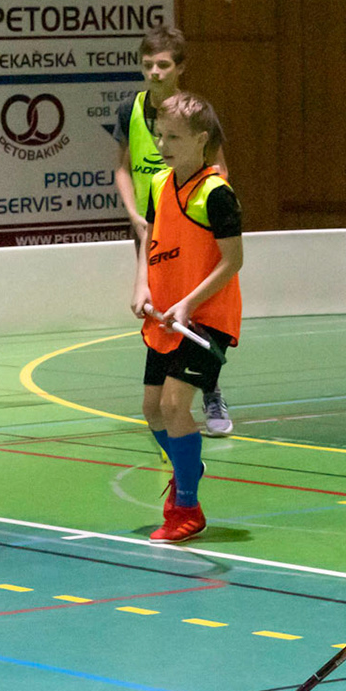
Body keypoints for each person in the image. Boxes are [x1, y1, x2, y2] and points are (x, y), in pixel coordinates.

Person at [131, 91, 243, 545]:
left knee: (176, 406)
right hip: (166, 316)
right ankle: (187, 465)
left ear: (201, 139)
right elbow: (149, 238)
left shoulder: (216, 194)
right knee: (151, 409)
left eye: (174, 137)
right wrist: (142, 285)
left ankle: (187, 508)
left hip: (206, 318)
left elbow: (233, 260)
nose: (163, 145)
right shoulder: (160, 184)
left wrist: (190, 303)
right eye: (159, 136)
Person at [112, 25, 234, 437]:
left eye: (163, 65)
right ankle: (168, 402)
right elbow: (122, 168)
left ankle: (209, 390)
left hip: (190, 221)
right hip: (151, 222)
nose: (154, 72)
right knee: (162, 313)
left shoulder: (194, 114)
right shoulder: (130, 110)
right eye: (147, 64)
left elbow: (219, 168)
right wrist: (135, 215)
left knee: (197, 314)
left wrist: (199, 209)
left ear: (180, 67)